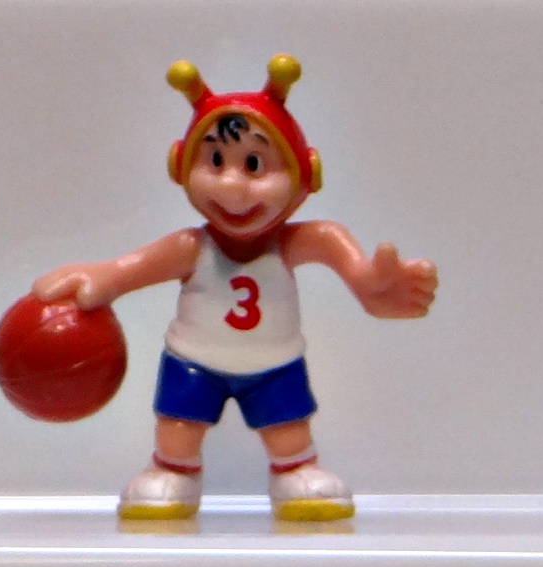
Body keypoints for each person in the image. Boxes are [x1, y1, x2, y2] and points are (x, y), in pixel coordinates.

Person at [33, 56, 438, 521]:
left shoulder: (305, 240)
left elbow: (352, 266)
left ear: (305, 176)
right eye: (214, 162)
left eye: (254, 165)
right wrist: (99, 277)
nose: (231, 186)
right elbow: (127, 270)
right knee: (177, 430)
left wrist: (373, 287)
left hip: (275, 365)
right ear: (180, 166)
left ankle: (295, 471)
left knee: (289, 432)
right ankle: (174, 471)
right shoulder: (190, 247)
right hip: (193, 363)